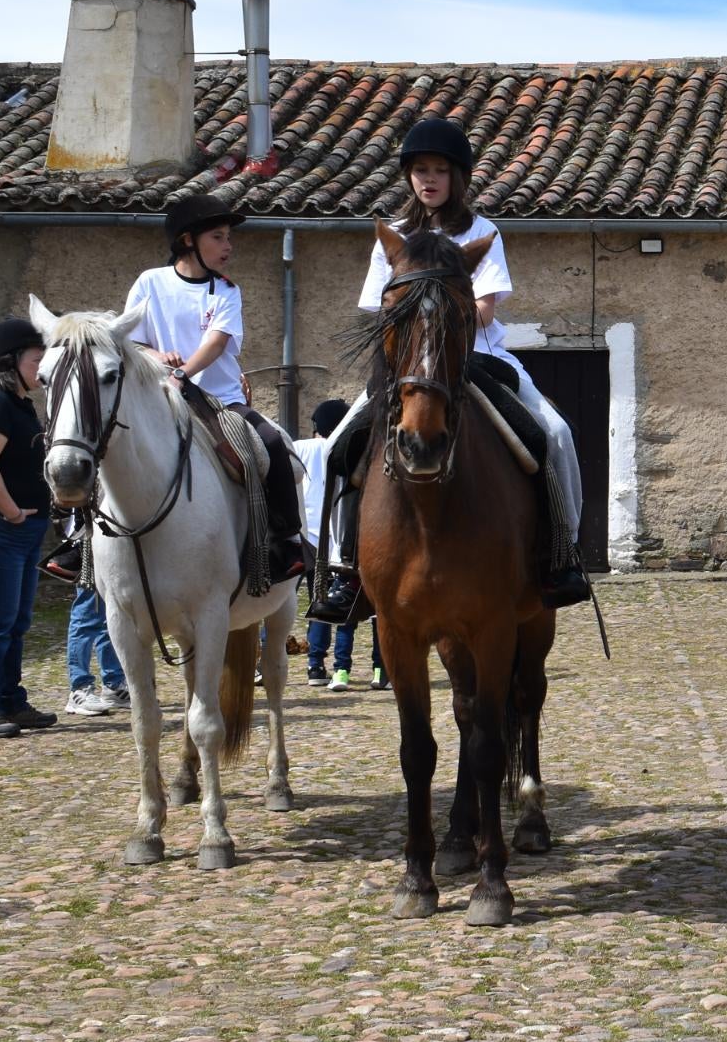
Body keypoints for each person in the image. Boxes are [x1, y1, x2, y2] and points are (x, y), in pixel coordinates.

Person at [309, 118, 592, 622]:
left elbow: (485, 306)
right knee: (335, 450)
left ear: (457, 177)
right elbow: (381, 308)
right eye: (421, 170)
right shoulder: (392, 236)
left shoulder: (481, 232)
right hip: (405, 363)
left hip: (477, 354)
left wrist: (447, 323)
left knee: (556, 432)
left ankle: (562, 555)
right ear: (409, 176)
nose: (430, 179)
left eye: (440, 170)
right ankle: (344, 570)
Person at [49, 194, 309, 582]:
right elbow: (130, 341)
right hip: (159, 398)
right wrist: (156, 355)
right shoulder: (149, 282)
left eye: (228, 238)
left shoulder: (226, 290)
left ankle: (285, 540)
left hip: (219, 402)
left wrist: (184, 371)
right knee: (102, 440)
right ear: (188, 240)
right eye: (218, 237)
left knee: (270, 441)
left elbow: (217, 341)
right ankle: (79, 538)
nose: (228, 246)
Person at [0, 317, 59, 738]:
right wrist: (14, 513)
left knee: (16, 620)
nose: (42, 367)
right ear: (11, 361)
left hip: (22, 530)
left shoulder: (20, 404)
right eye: (37, 359)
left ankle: (11, 702)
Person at [296, 398, 370, 688]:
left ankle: (314, 664)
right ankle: (361, 667)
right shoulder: (339, 446)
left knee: (311, 600)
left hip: (304, 535)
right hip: (333, 539)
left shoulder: (301, 446)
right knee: (332, 601)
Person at [61, 585, 127, 716]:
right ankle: (79, 689)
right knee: (87, 611)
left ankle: (114, 686)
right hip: (91, 566)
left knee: (109, 618)